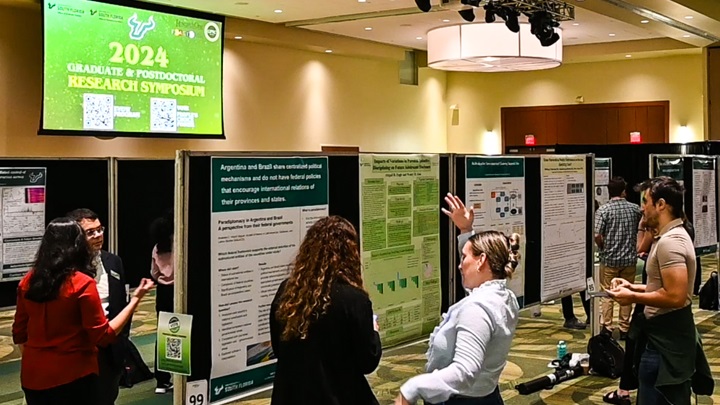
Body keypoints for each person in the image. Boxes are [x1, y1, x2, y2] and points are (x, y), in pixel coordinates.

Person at [12, 217, 154, 405]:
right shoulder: (81, 283)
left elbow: (19, 333)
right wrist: (136, 299)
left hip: (33, 377)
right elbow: (103, 335)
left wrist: (38, 357)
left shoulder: (27, 281)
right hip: (74, 377)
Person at [395, 194, 519, 405]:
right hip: (487, 396)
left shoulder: (477, 309)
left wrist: (412, 388)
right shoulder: (503, 296)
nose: (460, 266)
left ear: (481, 261)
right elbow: (479, 285)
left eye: (464, 258)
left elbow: (464, 371)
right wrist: (465, 231)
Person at [607, 177, 713, 405]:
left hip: (665, 345)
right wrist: (633, 286)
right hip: (662, 340)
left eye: (646, 201)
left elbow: (675, 296)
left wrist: (633, 297)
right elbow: (666, 287)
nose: (641, 208)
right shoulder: (668, 238)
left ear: (661, 204)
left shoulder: (670, 242)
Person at [269, 216, 382, 405]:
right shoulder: (355, 300)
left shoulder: (287, 292)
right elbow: (367, 362)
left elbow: (278, 348)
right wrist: (374, 331)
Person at [67, 208, 130, 405]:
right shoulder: (67, 268)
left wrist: (122, 342)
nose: (98, 236)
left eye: (100, 229)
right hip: (80, 349)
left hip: (109, 348)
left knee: (107, 397)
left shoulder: (114, 262)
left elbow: (122, 304)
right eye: (90, 232)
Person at [595, 176, 642, 340]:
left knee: (607, 293)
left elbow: (597, 234)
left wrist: (603, 247)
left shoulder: (603, 210)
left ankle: (607, 326)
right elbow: (642, 228)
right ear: (624, 191)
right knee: (627, 292)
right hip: (629, 259)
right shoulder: (635, 209)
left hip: (609, 259)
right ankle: (624, 327)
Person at [149, 210, 174, 394]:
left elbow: (153, 273)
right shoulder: (178, 244)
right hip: (179, 290)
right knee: (183, 331)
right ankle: (182, 375)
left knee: (164, 333)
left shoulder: (157, 248)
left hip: (163, 292)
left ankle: (162, 380)